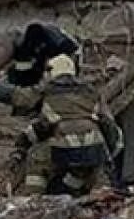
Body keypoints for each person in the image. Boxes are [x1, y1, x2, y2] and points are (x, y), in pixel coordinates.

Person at [12, 54, 123, 196]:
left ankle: (32, 198)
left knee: (38, 158)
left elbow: (41, 127)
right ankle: (71, 193)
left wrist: (21, 145)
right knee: (80, 174)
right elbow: (108, 124)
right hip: (93, 150)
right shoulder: (91, 92)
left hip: (65, 149)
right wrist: (110, 153)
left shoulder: (49, 92)